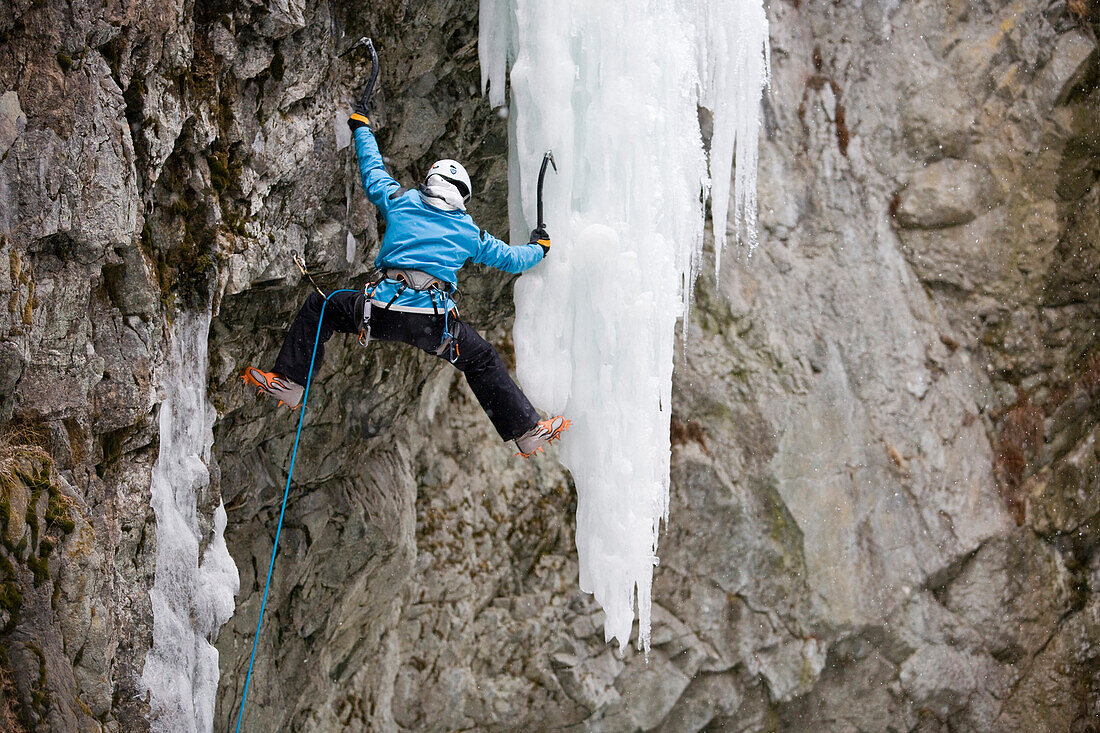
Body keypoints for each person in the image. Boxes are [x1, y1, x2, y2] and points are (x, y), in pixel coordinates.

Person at [242, 110, 569, 458]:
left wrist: (362, 128)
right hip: (433, 326)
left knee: (322, 307)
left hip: (378, 312)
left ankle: (291, 383)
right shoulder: (468, 232)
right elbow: (512, 259)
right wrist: (540, 246)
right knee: (482, 360)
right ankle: (526, 432)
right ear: (462, 195)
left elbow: (373, 170)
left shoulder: (400, 201)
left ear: (431, 180)